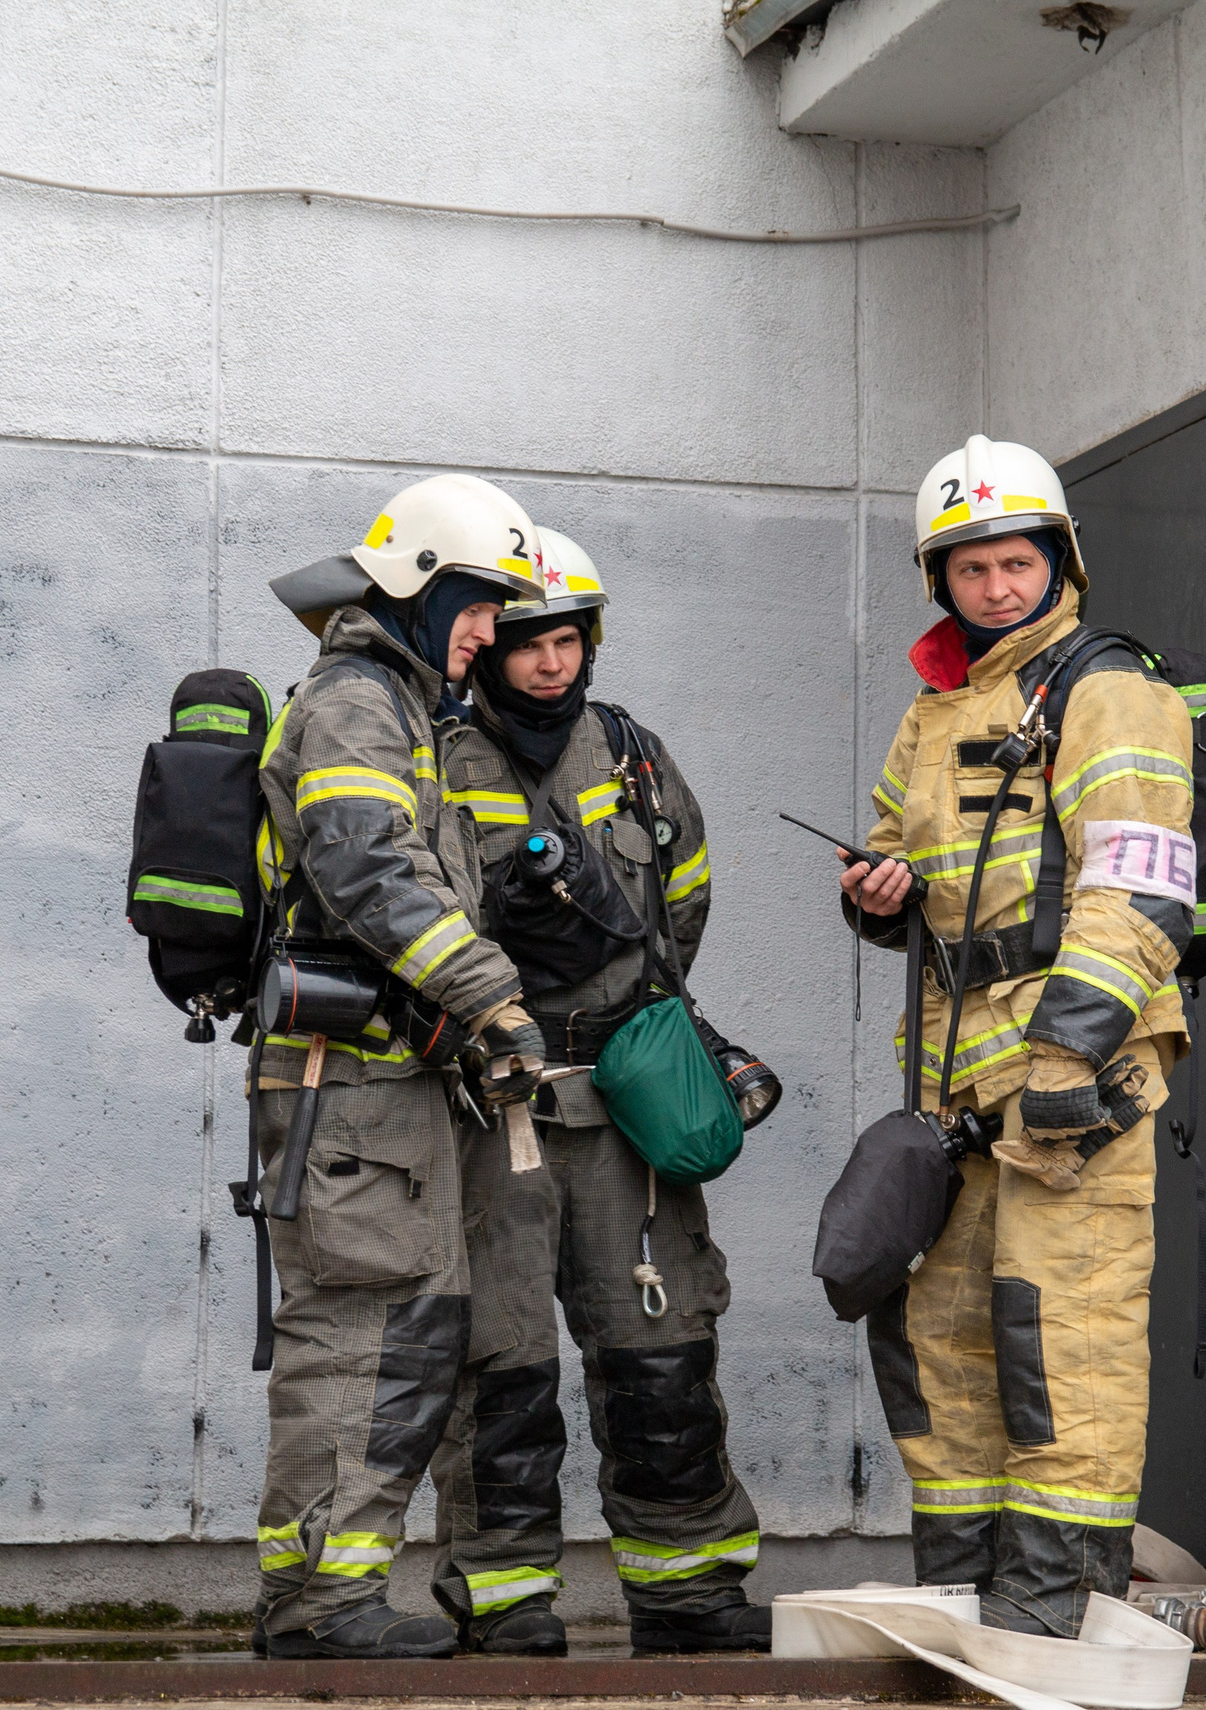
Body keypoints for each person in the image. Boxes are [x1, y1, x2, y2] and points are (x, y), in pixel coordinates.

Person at [840, 435, 1198, 1636]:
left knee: (1065, 1339)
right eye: (971, 567)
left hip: (1073, 1077)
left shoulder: (1108, 687)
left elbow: (1139, 887)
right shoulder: (936, 709)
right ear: (938, 580)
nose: (996, 587)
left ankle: (1052, 1623)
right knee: (942, 1346)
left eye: (1017, 561)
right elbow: (900, 843)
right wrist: (874, 887)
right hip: (955, 1081)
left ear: (1061, 560)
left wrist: (1069, 1055)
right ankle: (963, 1606)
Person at [428, 528, 769, 1657]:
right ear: (484, 645)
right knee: (500, 1362)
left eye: (566, 640)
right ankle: (508, 1603)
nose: (547, 664)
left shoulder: (630, 753)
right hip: (494, 1109)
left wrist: (614, 1015)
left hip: (624, 1105)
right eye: (525, 642)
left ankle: (689, 1596)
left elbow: (686, 906)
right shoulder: (437, 754)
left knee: (660, 1354)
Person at [246, 472, 550, 1660]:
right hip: (349, 1089)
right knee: (363, 1332)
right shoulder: (358, 704)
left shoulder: (403, 704)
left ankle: (332, 1595)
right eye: (480, 603)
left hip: (384, 1086)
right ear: (421, 584)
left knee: (407, 1332)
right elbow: (370, 872)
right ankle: (319, 1604)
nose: (492, 630)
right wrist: (490, 998)